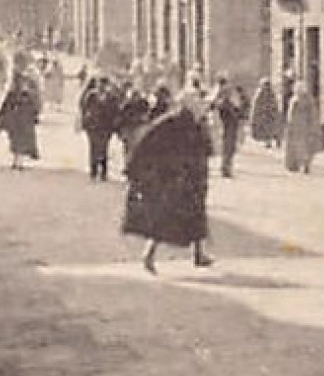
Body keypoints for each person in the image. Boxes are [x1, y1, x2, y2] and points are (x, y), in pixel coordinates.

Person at [123, 91, 215, 274]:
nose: (202, 110)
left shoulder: (196, 125)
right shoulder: (170, 123)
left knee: (196, 217)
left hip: (192, 179)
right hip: (173, 181)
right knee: (165, 219)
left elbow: (207, 148)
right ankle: (148, 255)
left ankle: (199, 254)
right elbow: (145, 144)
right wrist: (135, 169)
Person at [0, 61, 42, 170]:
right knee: (20, 141)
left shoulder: (15, 90)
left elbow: (7, 103)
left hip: (18, 119)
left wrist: (1, 115)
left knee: (17, 141)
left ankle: (17, 162)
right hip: (23, 119)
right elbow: (34, 104)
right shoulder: (28, 90)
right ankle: (18, 162)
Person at [79, 76, 122, 181]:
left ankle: (103, 171)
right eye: (100, 84)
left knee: (103, 148)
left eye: (104, 84)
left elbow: (116, 111)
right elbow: (84, 107)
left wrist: (114, 124)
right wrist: (86, 120)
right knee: (93, 147)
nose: (101, 86)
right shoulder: (91, 95)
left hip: (105, 126)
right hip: (92, 126)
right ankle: (93, 170)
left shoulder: (112, 97)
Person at [211, 78, 247, 179]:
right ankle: (225, 169)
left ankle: (226, 168)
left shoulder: (225, 104)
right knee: (227, 149)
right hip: (227, 130)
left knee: (228, 149)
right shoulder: (224, 104)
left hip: (228, 129)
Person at [283, 87, 322, 174]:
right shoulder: (309, 101)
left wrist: (289, 126)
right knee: (305, 147)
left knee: (299, 147)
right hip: (305, 127)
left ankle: (300, 165)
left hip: (298, 128)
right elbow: (314, 115)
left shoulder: (295, 100)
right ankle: (304, 164)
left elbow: (290, 116)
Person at [249, 78, 282, 149]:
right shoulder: (259, 94)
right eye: (265, 85)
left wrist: (274, 110)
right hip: (264, 115)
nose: (266, 87)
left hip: (270, 114)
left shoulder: (271, 93)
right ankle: (268, 141)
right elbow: (256, 105)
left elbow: (275, 103)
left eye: (267, 85)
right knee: (267, 129)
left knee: (272, 128)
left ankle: (275, 140)